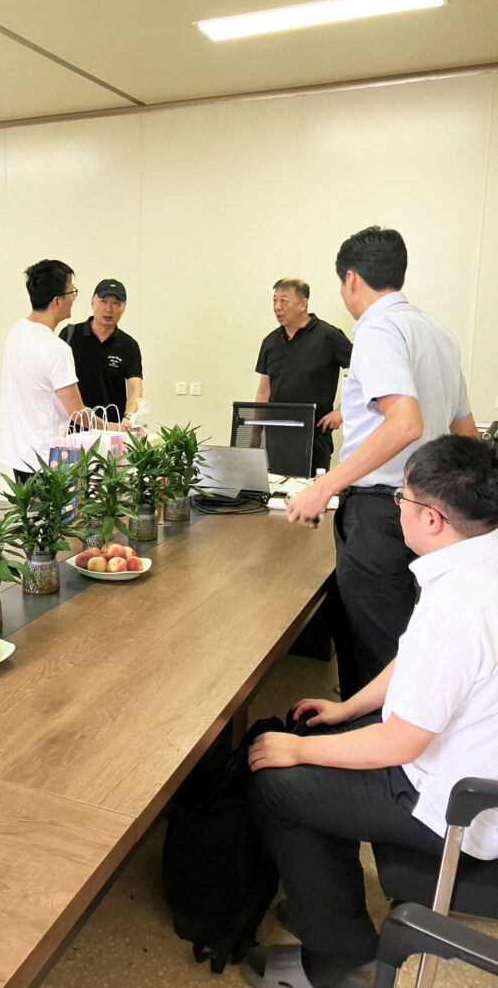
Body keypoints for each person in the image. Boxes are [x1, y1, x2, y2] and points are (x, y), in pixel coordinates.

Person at [244, 435, 498, 988]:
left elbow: (400, 744)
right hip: (462, 763)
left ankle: (334, 957)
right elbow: (414, 660)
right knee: (317, 738)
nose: (396, 507)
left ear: (431, 519)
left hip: (460, 807)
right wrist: (347, 708)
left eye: (401, 499)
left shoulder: (458, 605)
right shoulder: (478, 563)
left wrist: (300, 751)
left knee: (277, 782)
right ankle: (326, 905)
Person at [287, 228, 478, 698]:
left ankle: (373, 736)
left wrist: (323, 486)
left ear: (351, 279)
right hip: (433, 513)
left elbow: (405, 423)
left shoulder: (376, 329)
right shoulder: (439, 335)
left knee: (371, 649)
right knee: (408, 642)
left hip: (381, 512)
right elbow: (467, 436)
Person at [0, 259, 92, 482]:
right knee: (59, 507)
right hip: (49, 458)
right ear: (57, 301)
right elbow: (77, 412)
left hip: (19, 453)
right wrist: (116, 427)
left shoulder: (17, 331)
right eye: (72, 292)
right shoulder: (56, 349)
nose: (74, 298)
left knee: (27, 504)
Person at [255, 278, 352, 474]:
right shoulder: (270, 342)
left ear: (303, 304)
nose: (277, 307)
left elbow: (363, 372)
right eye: (274, 301)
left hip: (315, 435)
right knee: (278, 488)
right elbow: (264, 391)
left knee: (311, 489)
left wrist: (344, 410)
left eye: (284, 300)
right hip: (277, 435)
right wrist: (255, 434)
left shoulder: (329, 336)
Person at [59, 278, 143, 426]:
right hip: (71, 428)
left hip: (111, 429)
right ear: (93, 302)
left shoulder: (129, 345)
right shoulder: (70, 335)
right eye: (103, 301)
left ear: (124, 307)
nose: (109, 309)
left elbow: (135, 388)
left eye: (116, 303)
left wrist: (128, 418)